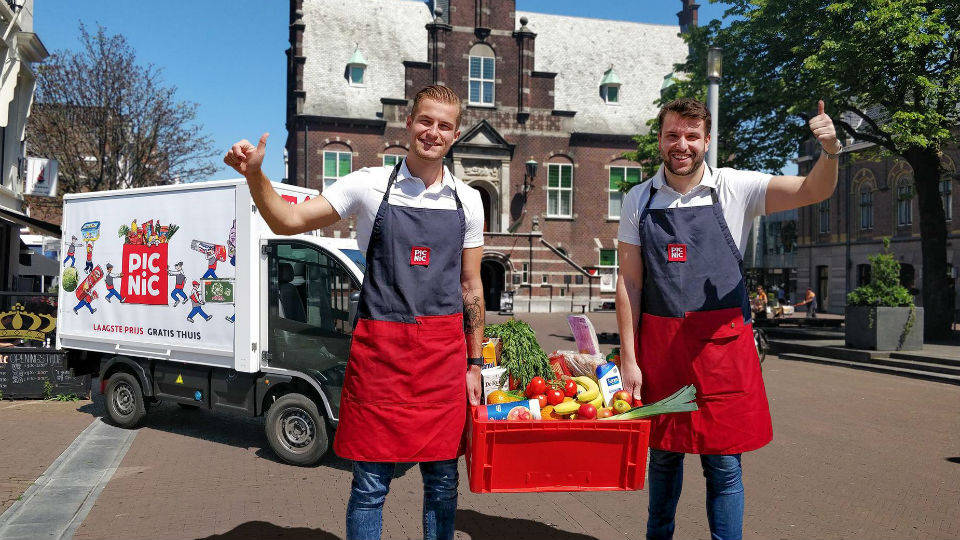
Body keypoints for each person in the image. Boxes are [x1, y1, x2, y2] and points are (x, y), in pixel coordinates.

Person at [224, 85, 484, 540]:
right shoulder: (367, 185)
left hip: (444, 360)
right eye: (426, 121)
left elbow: (471, 286)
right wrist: (255, 177)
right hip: (381, 356)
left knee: (443, 485)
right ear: (409, 122)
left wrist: (477, 363)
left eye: (444, 125)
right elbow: (286, 221)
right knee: (369, 486)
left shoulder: (468, 201)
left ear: (456, 134)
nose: (433, 132)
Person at [616, 97, 840, 540]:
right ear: (660, 139)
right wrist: (629, 357)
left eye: (692, 136)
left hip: (722, 352)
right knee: (662, 457)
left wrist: (830, 151)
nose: (682, 145)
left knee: (723, 462)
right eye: (673, 135)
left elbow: (815, 191)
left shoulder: (737, 187)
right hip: (661, 353)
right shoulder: (637, 199)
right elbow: (630, 283)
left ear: (707, 140)